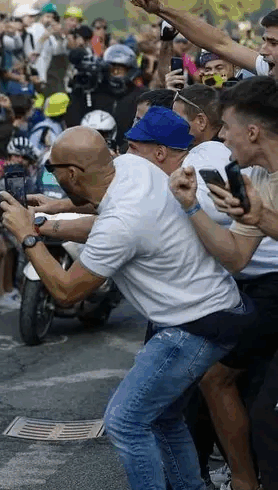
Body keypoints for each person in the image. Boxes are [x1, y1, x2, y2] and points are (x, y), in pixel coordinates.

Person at [0, 126, 255, 490]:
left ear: (71, 174)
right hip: (214, 311)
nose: (50, 173)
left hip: (195, 326)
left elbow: (67, 291)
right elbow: (101, 217)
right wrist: (47, 222)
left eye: (52, 168)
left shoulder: (122, 223)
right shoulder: (133, 168)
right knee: (163, 416)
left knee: (126, 421)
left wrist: (27, 236)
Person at [167, 76, 278, 490]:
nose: (222, 137)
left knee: (268, 416)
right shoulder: (258, 177)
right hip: (263, 294)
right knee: (215, 376)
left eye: (227, 128)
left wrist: (260, 218)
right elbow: (234, 255)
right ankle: (244, 480)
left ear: (251, 131)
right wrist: (191, 205)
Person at [130, 0, 278, 80]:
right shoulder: (266, 68)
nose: (262, 50)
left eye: (273, 43)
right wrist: (161, 9)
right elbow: (219, 43)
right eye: (264, 41)